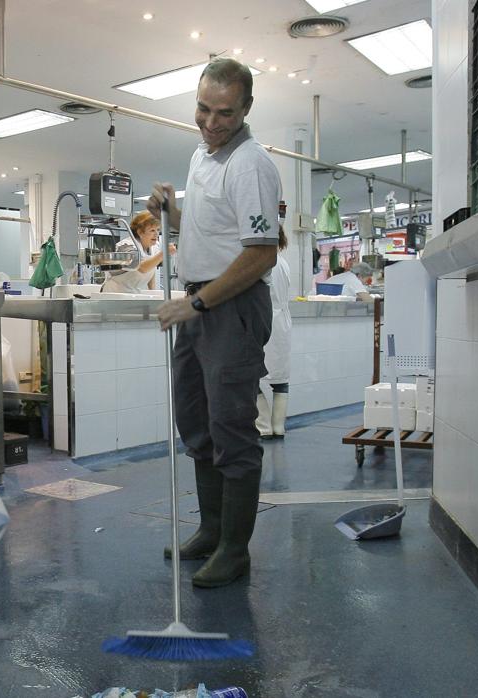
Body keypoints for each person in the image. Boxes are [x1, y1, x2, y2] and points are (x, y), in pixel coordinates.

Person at [148, 58, 280, 588]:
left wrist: (197, 306)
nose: (210, 121)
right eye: (203, 108)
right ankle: (211, 529)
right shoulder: (201, 157)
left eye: (224, 112)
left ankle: (234, 549)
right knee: (197, 422)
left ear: (246, 109)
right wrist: (170, 211)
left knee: (232, 429)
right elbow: (210, 231)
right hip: (199, 303)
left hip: (230, 308)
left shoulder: (250, 163)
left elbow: (260, 254)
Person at [257, 228, 292, 439]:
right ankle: (279, 427)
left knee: (253, 377)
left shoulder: (261, 261)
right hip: (283, 322)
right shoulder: (284, 262)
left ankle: (263, 427)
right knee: (281, 378)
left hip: (264, 320)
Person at [101, 210, 165, 293]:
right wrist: (163, 254)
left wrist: (153, 293)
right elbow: (142, 267)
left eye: (158, 230)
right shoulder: (127, 246)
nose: (156, 234)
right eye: (152, 230)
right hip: (115, 292)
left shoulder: (155, 246)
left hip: (134, 293)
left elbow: (151, 270)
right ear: (140, 232)